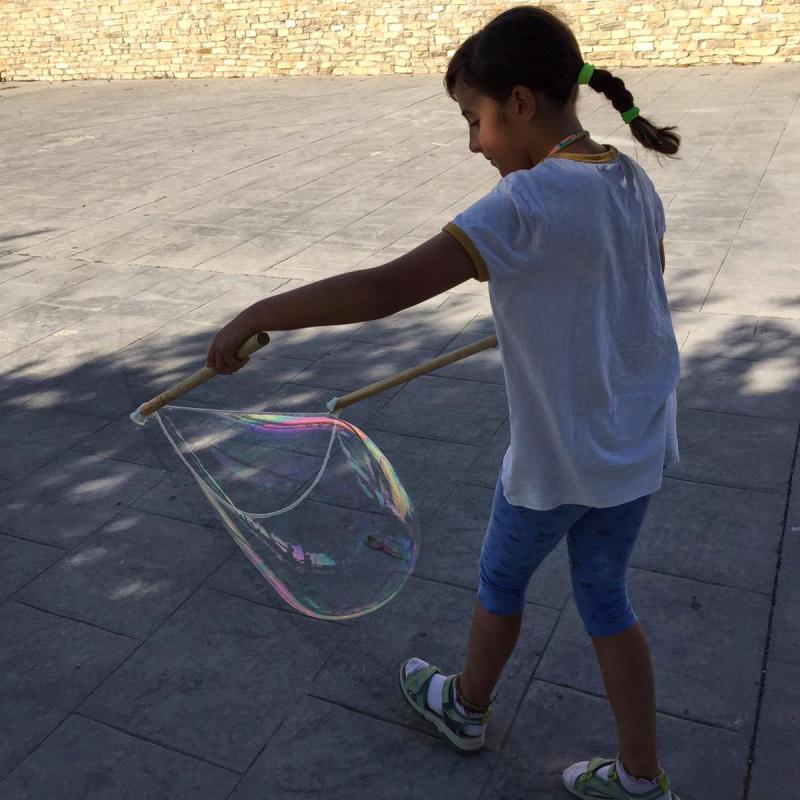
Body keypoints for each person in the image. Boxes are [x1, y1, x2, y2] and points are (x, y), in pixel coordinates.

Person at [206, 6, 681, 799]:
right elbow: (635, 288)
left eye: (474, 119)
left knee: (501, 584)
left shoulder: (523, 204)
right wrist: (544, 319)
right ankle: (641, 777)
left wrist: (260, 314)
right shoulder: (628, 177)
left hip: (555, 460)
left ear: (521, 104)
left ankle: (466, 706)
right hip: (632, 447)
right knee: (605, 596)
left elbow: (386, 288)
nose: (473, 143)